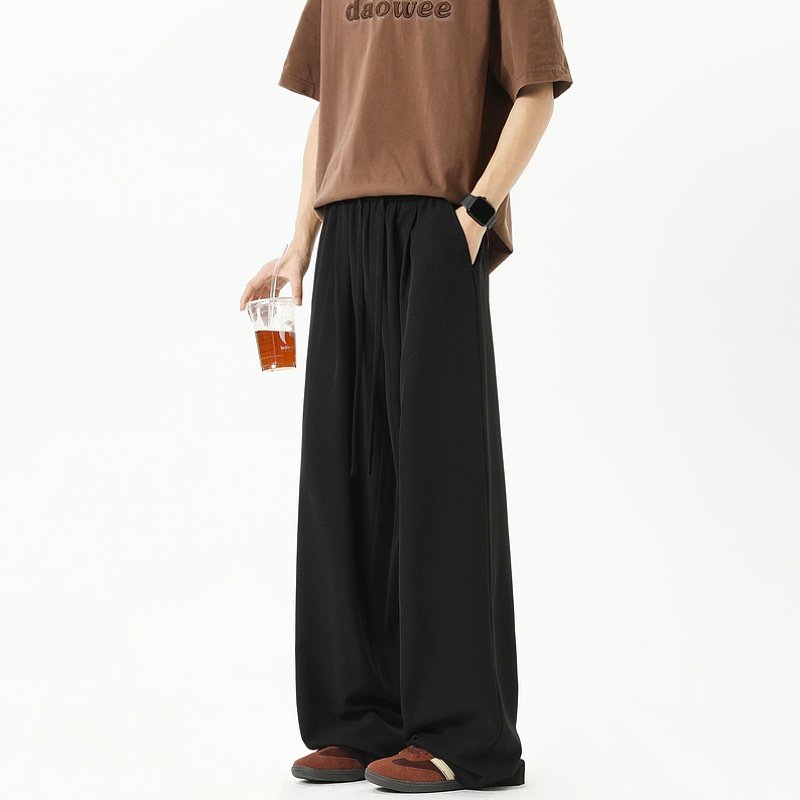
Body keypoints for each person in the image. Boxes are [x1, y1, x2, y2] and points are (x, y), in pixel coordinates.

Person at [239, 0, 572, 791]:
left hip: (440, 220)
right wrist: (299, 245)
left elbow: (536, 92)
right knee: (342, 474)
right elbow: (330, 112)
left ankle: (462, 735)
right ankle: (357, 720)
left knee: (440, 477)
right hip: (346, 228)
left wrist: (476, 213)